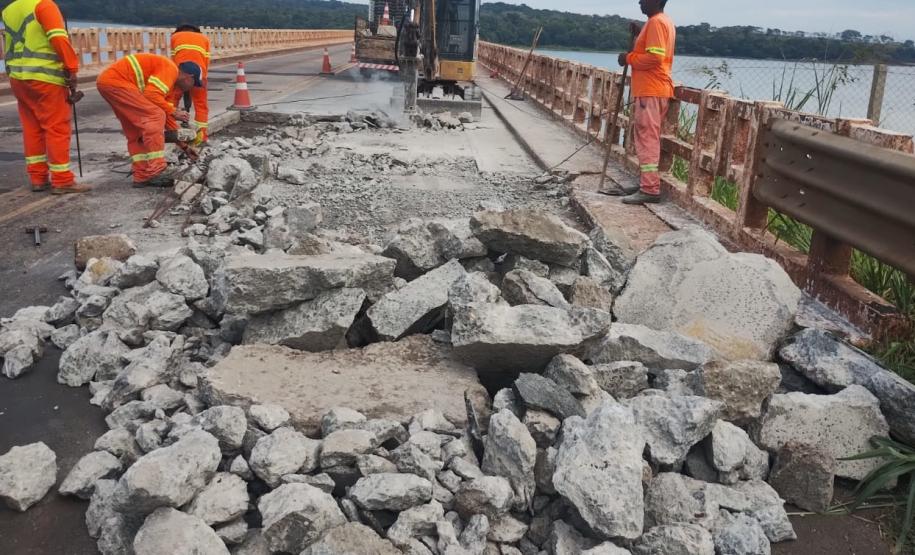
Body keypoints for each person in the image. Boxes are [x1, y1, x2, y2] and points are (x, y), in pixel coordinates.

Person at [2, 0, 90, 194]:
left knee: (32, 127)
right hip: (45, 77)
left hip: (18, 77)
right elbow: (58, 38)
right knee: (56, 127)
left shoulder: (9, 9)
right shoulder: (44, 5)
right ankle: (62, 180)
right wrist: (72, 68)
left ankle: (38, 178)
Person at [96, 53, 200, 187]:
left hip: (110, 83)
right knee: (155, 116)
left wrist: (184, 147)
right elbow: (151, 95)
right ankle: (157, 170)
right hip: (118, 83)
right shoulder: (171, 70)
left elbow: (166, 116)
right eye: (194, 83)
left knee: (136, 131)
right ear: (189, 77)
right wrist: (174, 111)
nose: (192, 87)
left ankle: (142, 175)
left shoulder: (168, 80)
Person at [613, 0, 675, 204]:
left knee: (647, 138)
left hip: (651, 90)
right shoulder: (662, 21)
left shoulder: (657, 22)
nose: (639, 1)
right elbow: (654, 49)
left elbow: (654, 58)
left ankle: (649, 188)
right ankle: (645, 182)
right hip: (655, 89)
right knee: (648, 137)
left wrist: (628, 58)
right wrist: (641, 33)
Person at [166, 24, 210, 145]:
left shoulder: (175, 37)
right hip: (199, 74)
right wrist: (202, 79)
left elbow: (174, 60)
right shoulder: (205, 39)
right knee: (201, 105)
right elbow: (206, 62)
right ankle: (202, 136)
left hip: (179, 74)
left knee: (171, 101)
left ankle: (171, 131)